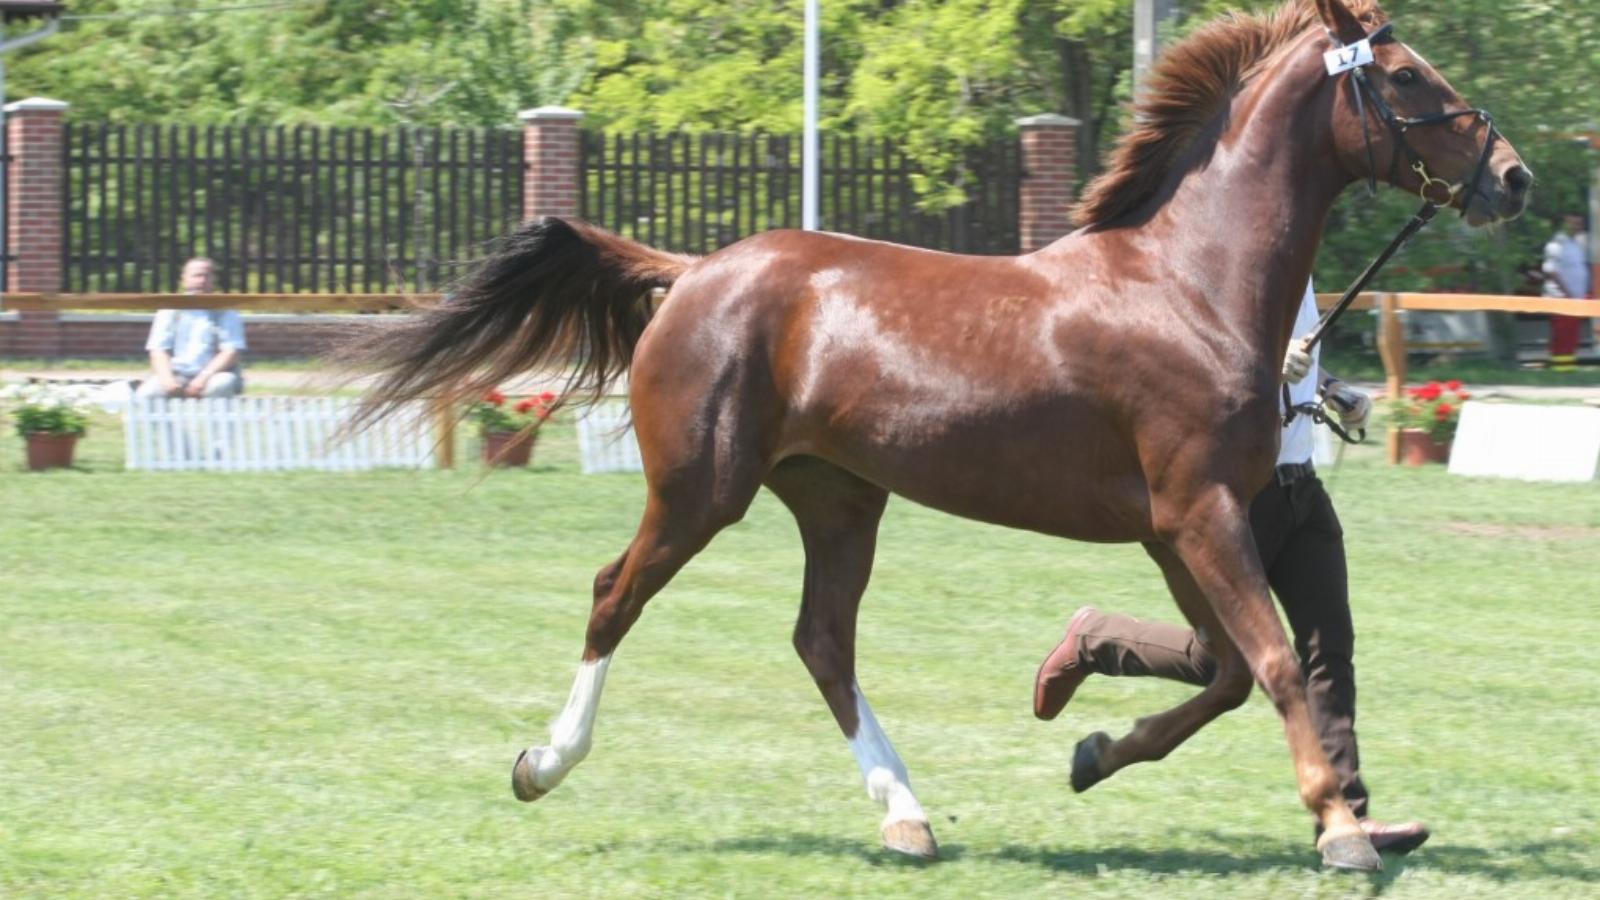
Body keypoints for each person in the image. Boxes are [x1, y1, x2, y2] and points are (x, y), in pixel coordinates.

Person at [1033, 280, 1431, 855]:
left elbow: (1299, 361)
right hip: (1241, 496)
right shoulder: (1234, 251)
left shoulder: (1301, 268)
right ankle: (1096, 640)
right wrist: (1270, 365)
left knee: (1329, 646)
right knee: (1219, 661)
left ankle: (1346, 814)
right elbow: (1191, 356)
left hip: (1303, 489)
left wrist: (1332, 387)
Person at [137, 258, 246, 399]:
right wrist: (168, 381)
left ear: (214, 279)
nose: (202, 280)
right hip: (175, 375)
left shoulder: (226, 310)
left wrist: (203, 379)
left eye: (207, 275)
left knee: (221, 386)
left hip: (214, 375)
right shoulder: (169, 309)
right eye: (196, 275)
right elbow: (158, 350)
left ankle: (215, 422)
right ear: (184, 279)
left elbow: (231, 352)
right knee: (148, 394)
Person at [1542, 213, 1590, 373]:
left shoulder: (1575, 244)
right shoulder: (1557, 244)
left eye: (1579, 223)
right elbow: (1551, 271)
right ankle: (1560, 371)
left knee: (1571, 337)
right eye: (1573, 223)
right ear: (1564, 224)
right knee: (1562, 337)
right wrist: (1568, 294)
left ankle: (1568, 370)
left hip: (1574, 300)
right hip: (1562, 299)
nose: (1576, 227)